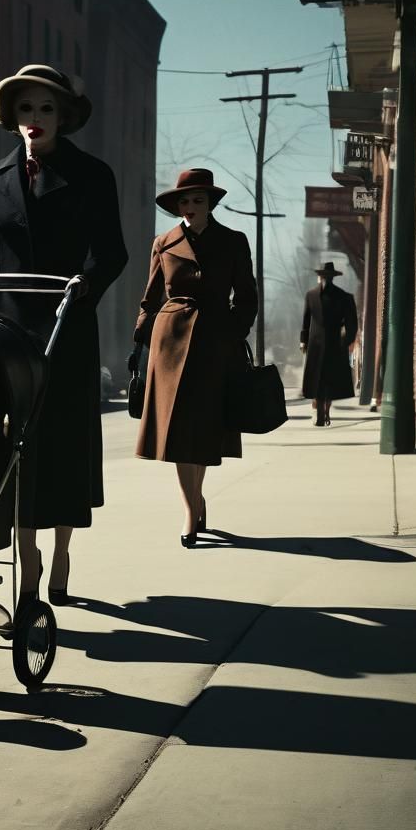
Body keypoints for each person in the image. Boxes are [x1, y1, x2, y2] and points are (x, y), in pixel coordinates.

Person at [0, 64, 128, 603]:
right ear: (12, 117)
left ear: (63, 117)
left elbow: (111, 251)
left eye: (46, 109)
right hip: (3, 331)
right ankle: (28, 553)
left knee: (60, 443)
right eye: (26, 109)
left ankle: (62, 545)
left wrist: (85, 284)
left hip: (66, 327)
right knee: (12, 440)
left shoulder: (93, 175)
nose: (35, 120)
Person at [133, 168, 258, 548]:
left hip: (214, 343)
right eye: (183, 201)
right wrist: (143, 336)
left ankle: (196, 497)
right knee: (176, 432)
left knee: (203, 429)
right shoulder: (164, 243)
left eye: (197, 200)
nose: (189, 207)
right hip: (169, 343)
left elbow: (247, 296)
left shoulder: (234, 241)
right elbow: (150, 297)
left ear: (211, 203)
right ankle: (191, 509)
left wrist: (233, 331)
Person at [300, 262, 358, 426]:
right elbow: (306, 321)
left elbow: (351, 323)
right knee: (317, 381)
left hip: (334, 344)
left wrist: (346, 341)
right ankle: (319, 413)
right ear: (321, 277)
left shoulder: (344, 297)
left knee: (330, 381)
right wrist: (303, 341)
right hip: (316, 345)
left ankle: (326, 412)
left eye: (327, 276)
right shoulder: (311, 296)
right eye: (323, 276)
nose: (325, 279)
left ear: (332, 277)